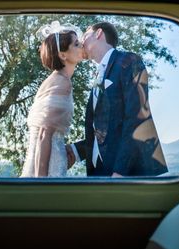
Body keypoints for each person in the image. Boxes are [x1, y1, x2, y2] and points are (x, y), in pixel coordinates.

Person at [67, 22, 167, 177]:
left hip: (126, 173)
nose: (81, 43)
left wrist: (120, 172)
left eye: (85, 36)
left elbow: (136, 118)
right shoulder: (98, 75)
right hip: (99, 171)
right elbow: (106, 129)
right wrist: (75, 151)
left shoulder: (128, 61)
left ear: (98, 33)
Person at [20, 22, 84, 177]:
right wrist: (41, 180)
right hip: (48, 164)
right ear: (63, 55)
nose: (82, 45)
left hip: (48, 156)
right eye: (76, 44)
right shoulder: (62, 82)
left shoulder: (56, 80)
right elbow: (44, 133)